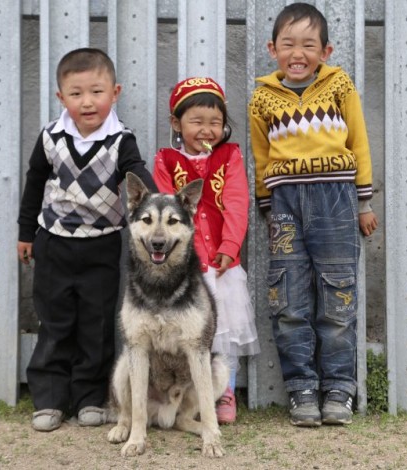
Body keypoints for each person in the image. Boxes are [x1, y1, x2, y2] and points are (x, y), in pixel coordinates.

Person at [248, 3, 378, 427]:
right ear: (273, 49)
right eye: (288, 44)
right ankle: (301, 387)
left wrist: (364, 202)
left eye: (308, 45)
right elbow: (261, 155)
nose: (297, 53)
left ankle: (339, 388)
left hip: (336, 199)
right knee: (288, 298)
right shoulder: (262, 98)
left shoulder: (339, 85)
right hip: (285, 205)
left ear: (325, 51)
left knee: (338, 295)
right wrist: (267, 205)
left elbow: (358, 141)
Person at [17, 47, 157, 432]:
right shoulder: (51, 137)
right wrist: (25, 233)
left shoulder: (121, 140)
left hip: (101, 244)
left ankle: (90, 398)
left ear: (115, 92)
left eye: (97, 92)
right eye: (76, 93)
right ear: (61, 97)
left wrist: (156, 199)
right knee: (55, 321)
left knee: (96, 324)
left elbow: (135, 170)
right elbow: (34, 183)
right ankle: (49, 399)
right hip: (54, 242)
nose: (87, 102)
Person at [153, 77, 260, 424]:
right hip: (185, 267)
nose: (206, 130)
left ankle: (223, 390)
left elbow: (236, 203)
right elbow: (167, 210)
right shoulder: (166, 160)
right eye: (196, 121)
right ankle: (187, 392)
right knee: (188, 332)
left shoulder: (229, 157)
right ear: (176, 123)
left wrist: (230, 246)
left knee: (224, 329)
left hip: (221, 265)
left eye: (215, 122)